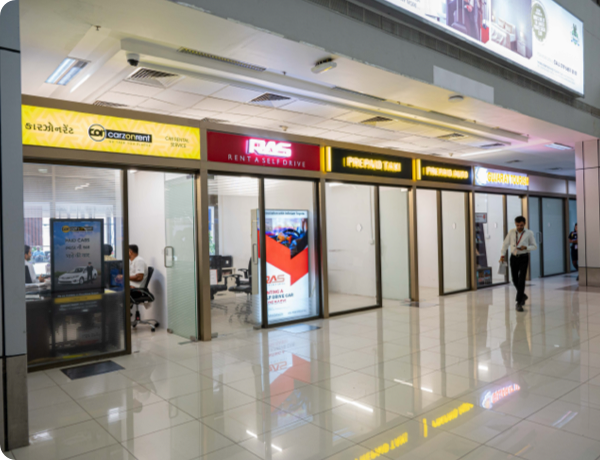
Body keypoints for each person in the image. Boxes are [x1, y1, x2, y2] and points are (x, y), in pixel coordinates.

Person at [500, 216, 537, 312]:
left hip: (524, 257)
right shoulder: (512, 232)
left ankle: (519, 302)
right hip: (513, 257)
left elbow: (534, 246)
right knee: (514, 279)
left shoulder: (529, 233)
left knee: (521, 279)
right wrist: (502, 255)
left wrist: (526, 247)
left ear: (524, 224)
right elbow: (505, 244)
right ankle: (523, 295)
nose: (519, 227)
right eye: (517, 225)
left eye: (521, 225)